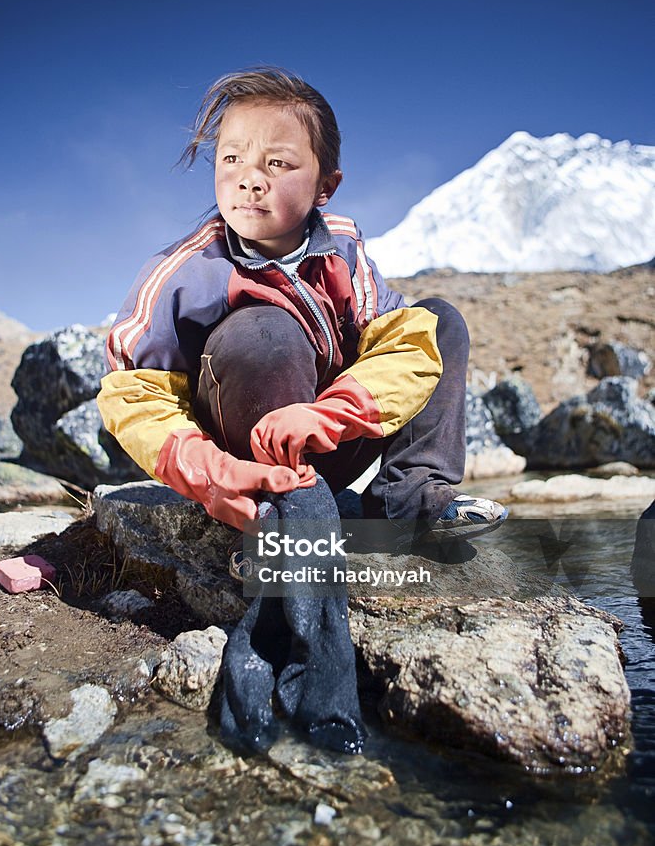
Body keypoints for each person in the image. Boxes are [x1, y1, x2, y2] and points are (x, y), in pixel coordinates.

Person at [97, 67, 507, 560]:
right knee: (265, 331)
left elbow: (405, 345)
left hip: (327, 438)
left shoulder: (344, 249)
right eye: (232, 158)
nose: (250, 180)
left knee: (437, 321)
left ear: (325, 186)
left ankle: (409, 506)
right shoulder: (186, 272)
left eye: (277, 163)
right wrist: (211, 473)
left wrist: (329, 414)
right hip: (245, 460)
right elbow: (133, 391)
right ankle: (273, 511)